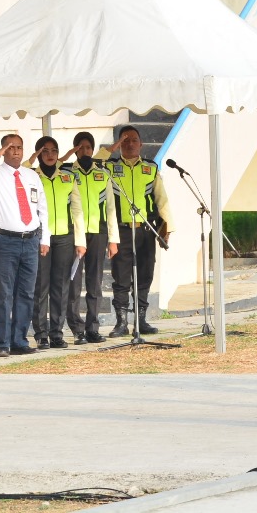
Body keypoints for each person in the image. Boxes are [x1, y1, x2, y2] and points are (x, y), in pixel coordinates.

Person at [0, 134, 49, 358]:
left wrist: (45, 239)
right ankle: (2, 343)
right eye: (10, 148)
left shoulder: (31, 175)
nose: (16, 152)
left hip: (31, 239)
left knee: (26, 293)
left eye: (19, 148)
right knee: (4, 293)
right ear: (4, 149)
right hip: (4, 241)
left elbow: (42, 208)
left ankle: (19, 340)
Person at [106, 125, 174, 337]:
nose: (130, 144)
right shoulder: (109, 167)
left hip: (146, 230)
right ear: (119, 145)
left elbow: (162, 199)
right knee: (121, 278)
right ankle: (121, 323)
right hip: (121, 231)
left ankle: (141, 321)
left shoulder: (150, 168)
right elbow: (97, 161)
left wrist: (167, 227)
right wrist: (111, 148)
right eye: (124, 140)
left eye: (133, 140)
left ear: (141, 144)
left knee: (145, 275)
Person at [61, 132, 119, 344]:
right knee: (74, 284)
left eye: (88, 147)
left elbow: (111, 208)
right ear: (75, 149)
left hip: (98, 233)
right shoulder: (66, 172)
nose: (85, 151)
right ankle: (76, 329)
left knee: (95, 283)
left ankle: (93, 328)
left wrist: (113, 239)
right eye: (80, 147)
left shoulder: (103, 174)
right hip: (74, 235)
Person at [28, 136, 85, 349]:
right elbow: (22, 169)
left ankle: (57, 333)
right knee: (40, 286)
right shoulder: (32, 175)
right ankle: (41, 333)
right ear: (38, 154)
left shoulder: (67, 177)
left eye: (53, 150)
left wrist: (80, 241)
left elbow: (77, 210)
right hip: (41, 237)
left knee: (61, 287)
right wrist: (31, 159)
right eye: (45, 151)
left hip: (64, 238)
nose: (50, 155)